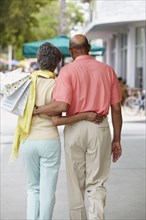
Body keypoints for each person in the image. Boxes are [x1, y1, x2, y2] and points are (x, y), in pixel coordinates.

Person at [33, 34, 123, 220]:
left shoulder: (66, 72)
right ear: (89, 48)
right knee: (97, 181)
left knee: (75, 182)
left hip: (74, 128)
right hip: (99, 127)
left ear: (72, 51)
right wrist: (117, 139)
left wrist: (37, 110)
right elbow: (116, 108)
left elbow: (61, 105)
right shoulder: (107, 70)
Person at [11, 42, 102, 220]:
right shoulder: (58, 83)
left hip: (27, 140)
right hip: (49, 141)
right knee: (47, 191)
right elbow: (60, 110)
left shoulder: (26, 82)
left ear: (37, 60)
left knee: (32, 188)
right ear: (56, 64)